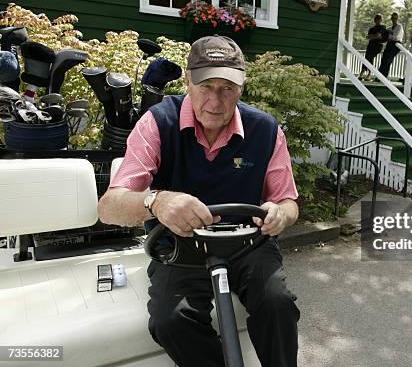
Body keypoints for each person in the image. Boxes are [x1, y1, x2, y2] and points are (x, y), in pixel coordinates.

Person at [98, 35, 301, 367]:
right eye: (206, 86)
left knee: (277, 303)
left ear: (241, 88)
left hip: (247, 243)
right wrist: (156, 201)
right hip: (180, 244)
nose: (215, 101)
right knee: (170, 321)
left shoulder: (264, 129)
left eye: (227, 88)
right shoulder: (158, 122)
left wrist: (281, 213)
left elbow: (287, 200)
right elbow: (109, 207)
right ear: (188, 81)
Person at [359, 14, 386, 80]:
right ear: (374, 20)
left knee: (370, 57)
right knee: (367, 58)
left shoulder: (383, 27)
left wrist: (373, 36)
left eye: (379, 19)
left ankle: (367, 74)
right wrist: (375, 36)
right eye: (376, 19)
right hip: (370, 45)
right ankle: (364, 74)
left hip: (378, 46)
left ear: (381, 20)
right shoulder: (371, 29)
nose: (377, 20)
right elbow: (368, 37)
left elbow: (379, 36)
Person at [378, 12, 404, 78]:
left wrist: (388, 36)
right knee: (384, 59)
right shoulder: (389, 28)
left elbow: (395, 37)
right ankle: (379, 76)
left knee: (388, 59)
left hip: (396, 44)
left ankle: (384, 76)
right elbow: (385, 37)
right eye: (392, 18)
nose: (394, 19)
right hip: (390, 44)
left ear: (397, 18)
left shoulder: (399, 27)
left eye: (395, 18)